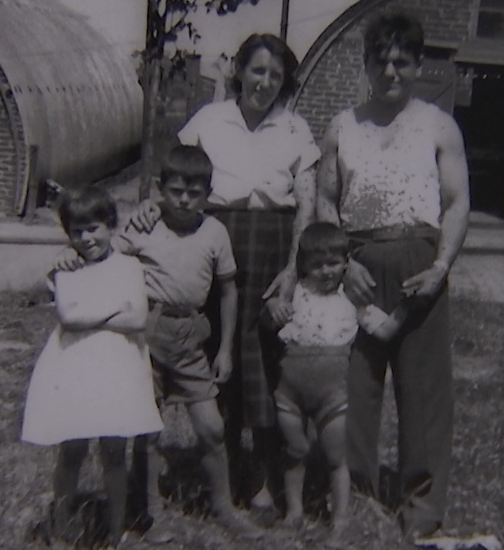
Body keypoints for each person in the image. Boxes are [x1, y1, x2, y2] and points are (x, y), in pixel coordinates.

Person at [130, 33, 321, 517]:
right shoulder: (209, 121)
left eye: (276, 76)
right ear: (239, 71)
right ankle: (224, 461)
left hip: (272, 242)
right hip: (212, 237)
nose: (265, 82)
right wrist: (151, 211)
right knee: (221, 347)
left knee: (264, 355)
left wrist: (294, 267)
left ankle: (258, 475)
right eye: (257, 71)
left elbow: (306, 203)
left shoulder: (295, 128)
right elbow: (177, 174)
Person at [316, 11, 471, 545]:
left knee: (423, 391)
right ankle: (352, 496)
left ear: (418, 65)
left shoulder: (438, 125)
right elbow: (325, 201)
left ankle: (421, 508)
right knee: (354, 386)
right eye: (380, 60)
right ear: (365, 64)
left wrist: (440, 267)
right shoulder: (342, 125)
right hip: (356, 262)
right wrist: (341, 264)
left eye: (402, 61)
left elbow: (456, 204)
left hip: (419, 262)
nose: (391, 71)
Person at [113, 145, 262, 542]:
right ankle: (150, 511)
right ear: (162, 188)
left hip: (190, 335)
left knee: (212, 427)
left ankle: (223, 505)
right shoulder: (144, 224)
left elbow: (228, 291)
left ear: (208, 194)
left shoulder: (214, 231)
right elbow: (108, 261)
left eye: (194, 193)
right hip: (148, 331)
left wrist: (226, 349)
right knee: (148, 430)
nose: (183, 199)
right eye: (176, 190)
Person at [21, 187, 163, 549]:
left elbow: (136, 319)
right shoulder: (66, 265)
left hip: (118, 369)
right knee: (72, 450)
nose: (87, 238)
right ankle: (62, 529)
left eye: (94, 228)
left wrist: (94, 316)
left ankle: (114, 531)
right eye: (77, 231)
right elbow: (69, 316)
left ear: (111, 225)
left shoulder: (129, 266)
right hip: (76, 367)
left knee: (114, 453)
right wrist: (112, 310)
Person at [262, 222, 406, 547]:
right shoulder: (294, 292)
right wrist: (272, 308)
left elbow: (384, 330)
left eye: (334, 263)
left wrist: (407, 306)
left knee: (335, 457)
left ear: (346, 263)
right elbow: (268, 321)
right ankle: (294, 512)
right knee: (295, 450)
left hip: (332, 396)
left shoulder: (351, 301)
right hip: (289, 393)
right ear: (304, 265)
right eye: (317, 264)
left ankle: (340, 520)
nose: (326, 271)